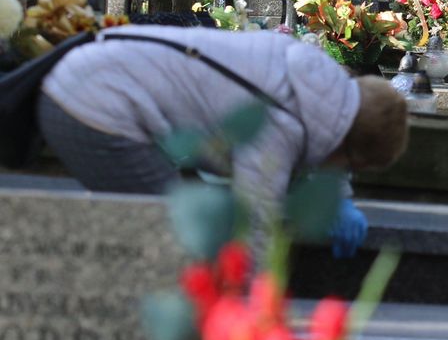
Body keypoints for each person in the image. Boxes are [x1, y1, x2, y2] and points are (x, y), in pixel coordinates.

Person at [37, 25, 409, 258]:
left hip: (81, 77)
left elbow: (335, 126)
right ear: (348, 150)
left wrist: (340, 197)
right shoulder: (280, 125)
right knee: (176, 244)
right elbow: (255, 227)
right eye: (352, 167)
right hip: (94, 108)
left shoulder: (314, 82)